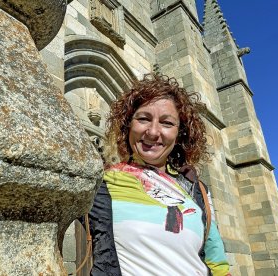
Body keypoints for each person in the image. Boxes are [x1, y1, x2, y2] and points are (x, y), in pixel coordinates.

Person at [87, 74, 231, 276]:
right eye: (144, 118)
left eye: (167, 123)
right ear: (128, 125)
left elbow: (217, 262)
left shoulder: (196, 190)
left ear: (180, 133)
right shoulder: (104, 182)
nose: (153, 132)